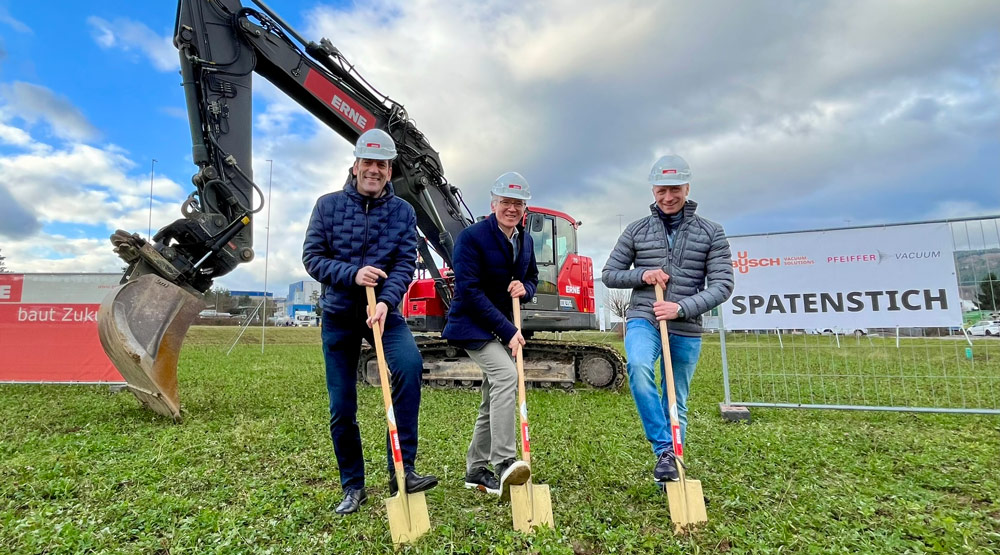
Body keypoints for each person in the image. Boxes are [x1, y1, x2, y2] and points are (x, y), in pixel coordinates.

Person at [303, 129, 438, 515]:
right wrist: (352, 274)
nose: (374, 170)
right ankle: (353, 486)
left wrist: (386, 301)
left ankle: (402, 471)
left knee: (410, 366)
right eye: (369, 163)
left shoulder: (403, 213)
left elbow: (402, 264)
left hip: (383, 313)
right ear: (355, 165)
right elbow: (312, 258)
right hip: (340, 315)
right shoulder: (327, 206)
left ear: (389, 169)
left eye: (382, 164)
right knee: (343, 406)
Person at [602, 154, 734, 482]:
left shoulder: (711, 232)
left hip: (686, 326)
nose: (668, 197)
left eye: (674, 189)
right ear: (653, 191)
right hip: (644, 318)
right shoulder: (636, 231)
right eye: (661, 190)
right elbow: (609, 274)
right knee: (639, 367)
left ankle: (670, 472)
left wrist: (681, 308)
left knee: (677, 397)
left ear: (687, 188)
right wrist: (643, 274)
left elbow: (723, 285)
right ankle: (665, 451)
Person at [441, 171, 539, 500]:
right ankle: (504, 461)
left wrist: (523, 288)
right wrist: (509, 330)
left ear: (524, 208)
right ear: (493, 203)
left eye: (518, 203)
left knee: (491, 397)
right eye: (506, 202)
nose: (512, 208)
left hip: (499, 323)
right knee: (506, 375)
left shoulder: (524, 239)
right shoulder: (471, 238)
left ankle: (475, 469)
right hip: (472, 324)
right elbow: (469, 292)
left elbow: (532, 280)